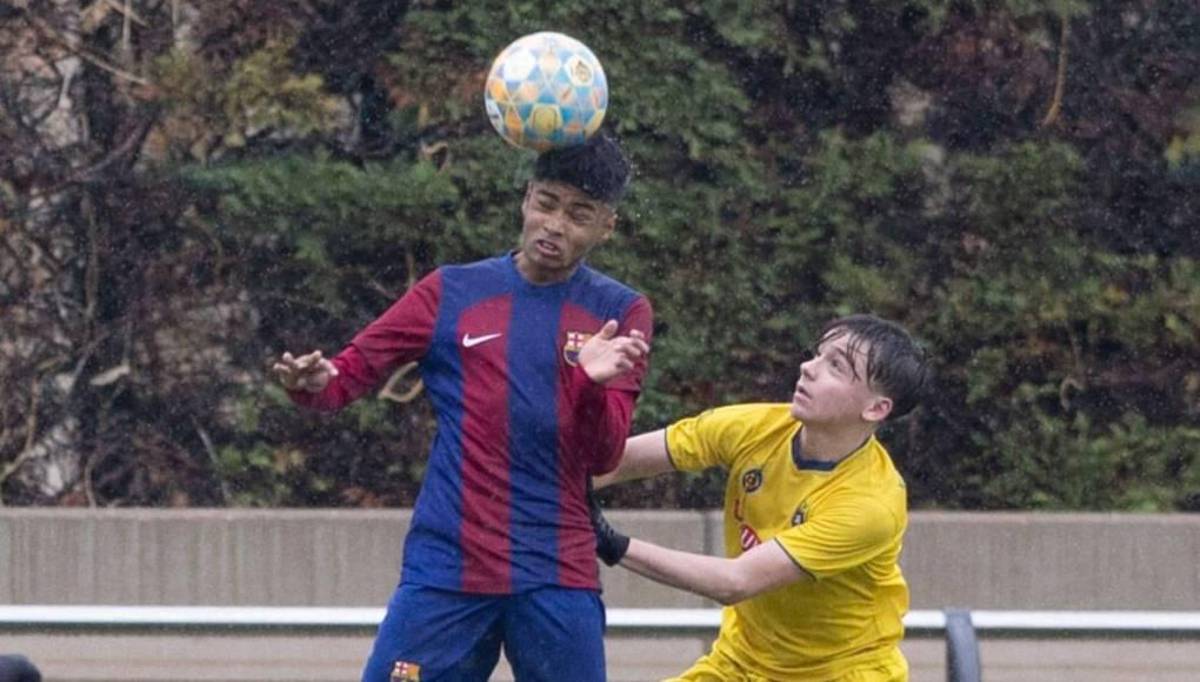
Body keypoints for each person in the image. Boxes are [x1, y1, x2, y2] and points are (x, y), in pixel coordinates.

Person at [273, 132, 653, 682]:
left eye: (579, 214)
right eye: (546, 204)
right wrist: (313, 380)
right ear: (526, 198)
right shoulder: (451, 292)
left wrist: (589, 385)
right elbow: (345, 378)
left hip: (555, 571)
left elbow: (602, 454)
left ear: (605, 227)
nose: (554, 224)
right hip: (447, 566)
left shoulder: (620, 312)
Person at [591, 314, 931, 682]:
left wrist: (609, 542)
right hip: (740, 664)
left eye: (836, 366)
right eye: (818, 354)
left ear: (876, 409)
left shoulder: (870, 505)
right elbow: (610, 464)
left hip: (839, 675)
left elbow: (735, 582)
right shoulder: (758, 427)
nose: (808, 368)